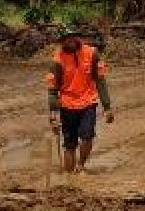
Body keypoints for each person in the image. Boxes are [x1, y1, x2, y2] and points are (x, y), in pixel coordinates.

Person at [47, 28, 114, 173]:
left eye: (72, 37)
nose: (70, 40)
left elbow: (100, 81)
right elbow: (52, 89)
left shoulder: (92, 53)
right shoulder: (57, 60)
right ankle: (69, 178)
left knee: (87, 136)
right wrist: (53, 114)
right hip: (67, 105)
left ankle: (81, 164)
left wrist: (107, 106)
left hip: (88, 102)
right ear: (62, 41)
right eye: (66, 38)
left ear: (77, 37)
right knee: (69, 144)